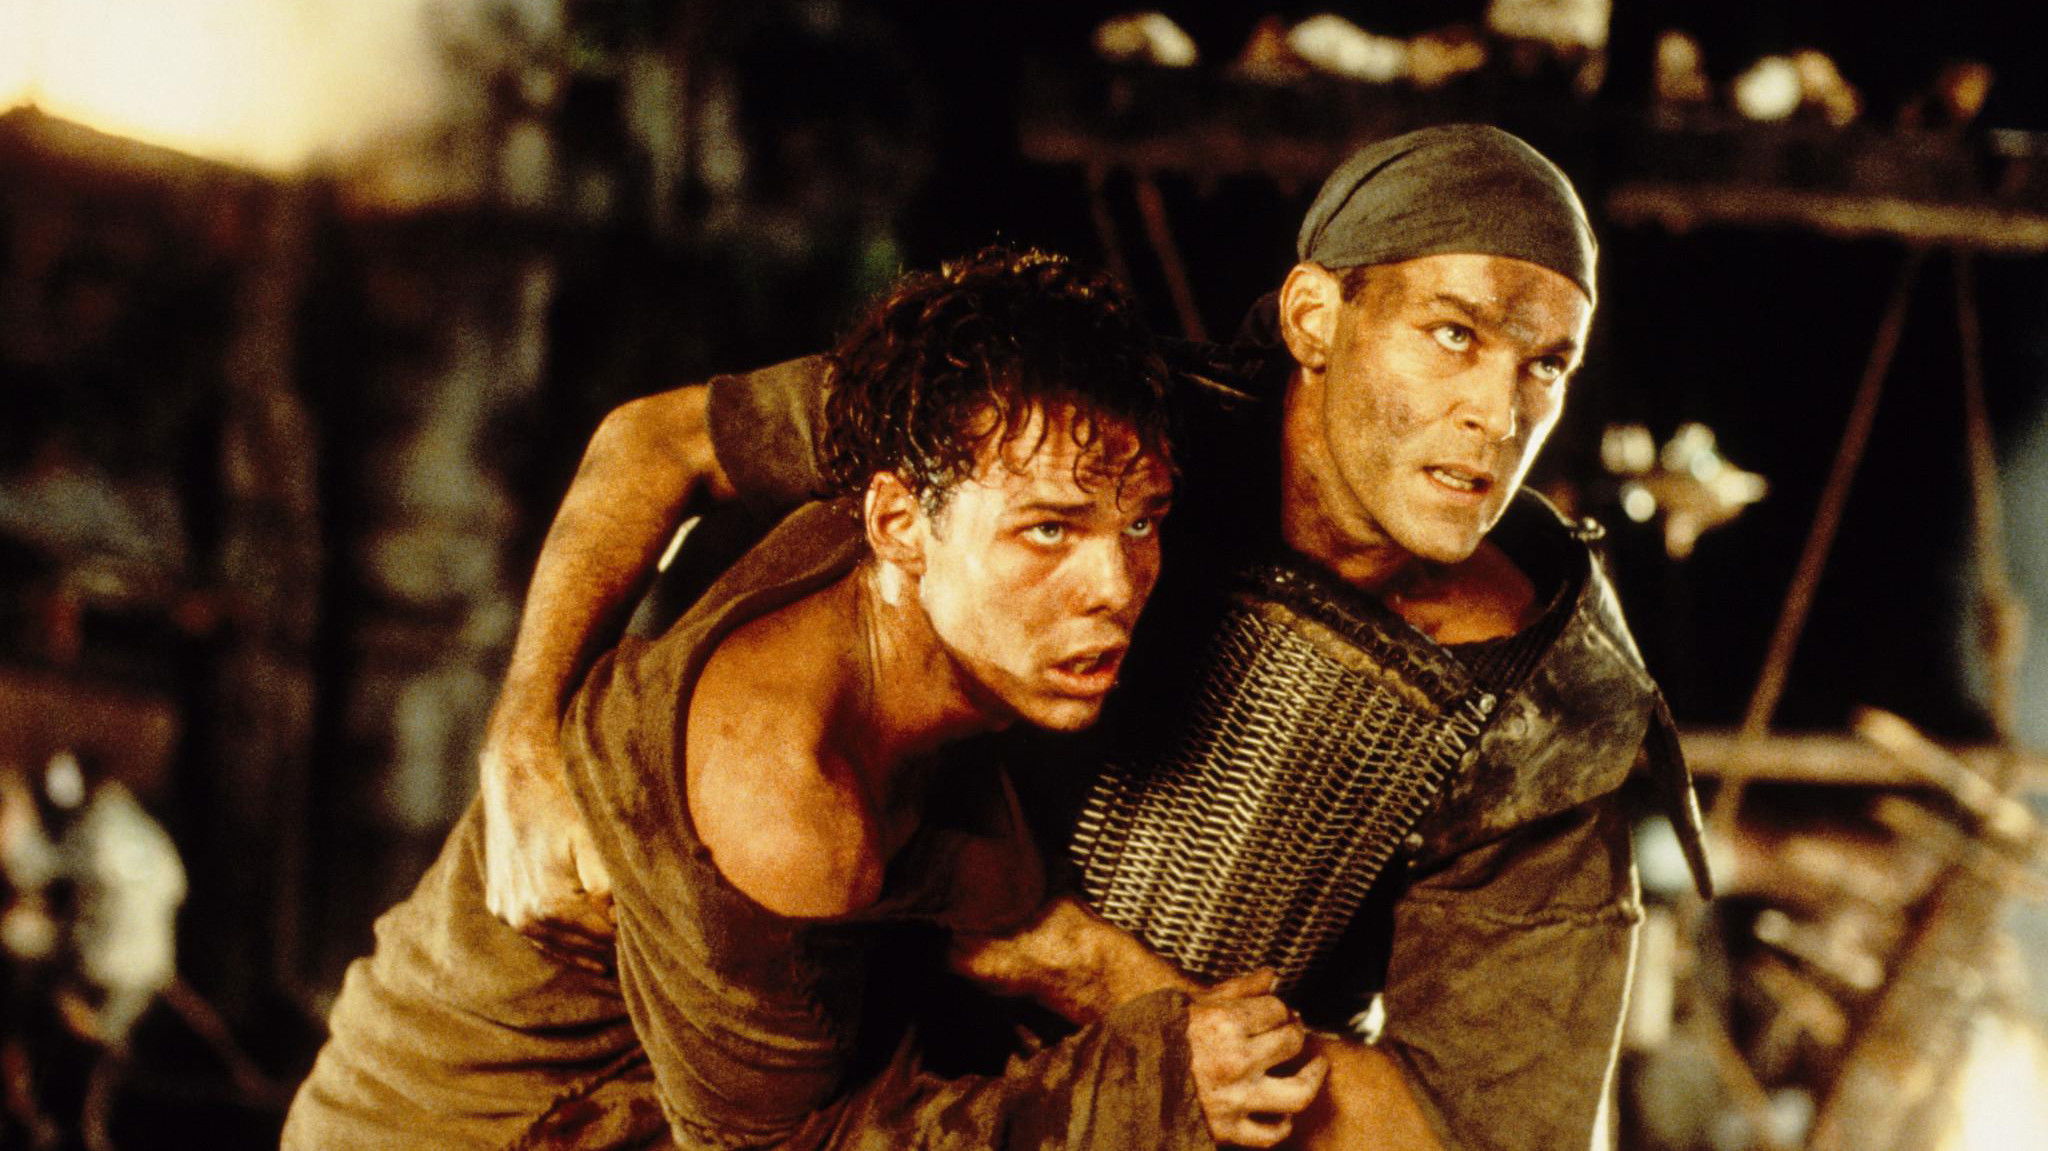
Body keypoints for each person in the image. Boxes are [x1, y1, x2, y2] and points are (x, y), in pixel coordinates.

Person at [482, 125, 1713, 1151]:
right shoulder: (1082, 430)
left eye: (1545, 365)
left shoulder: (1548, 710)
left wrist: (1092, 976)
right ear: (1314, 315)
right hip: (815, 1052)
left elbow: (1477, 1141)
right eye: (1453, 333)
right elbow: (662, 442)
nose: (1497, 410)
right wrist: (523, 727)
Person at [284, 247, 1329, 1149]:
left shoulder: (966, 424)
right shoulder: (785, 799)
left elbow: (656, 438)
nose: (1115, 585)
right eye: (1048, 530)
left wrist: (1121, 983)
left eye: (1141, 523)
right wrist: (1149, 1086)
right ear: (898, 523)